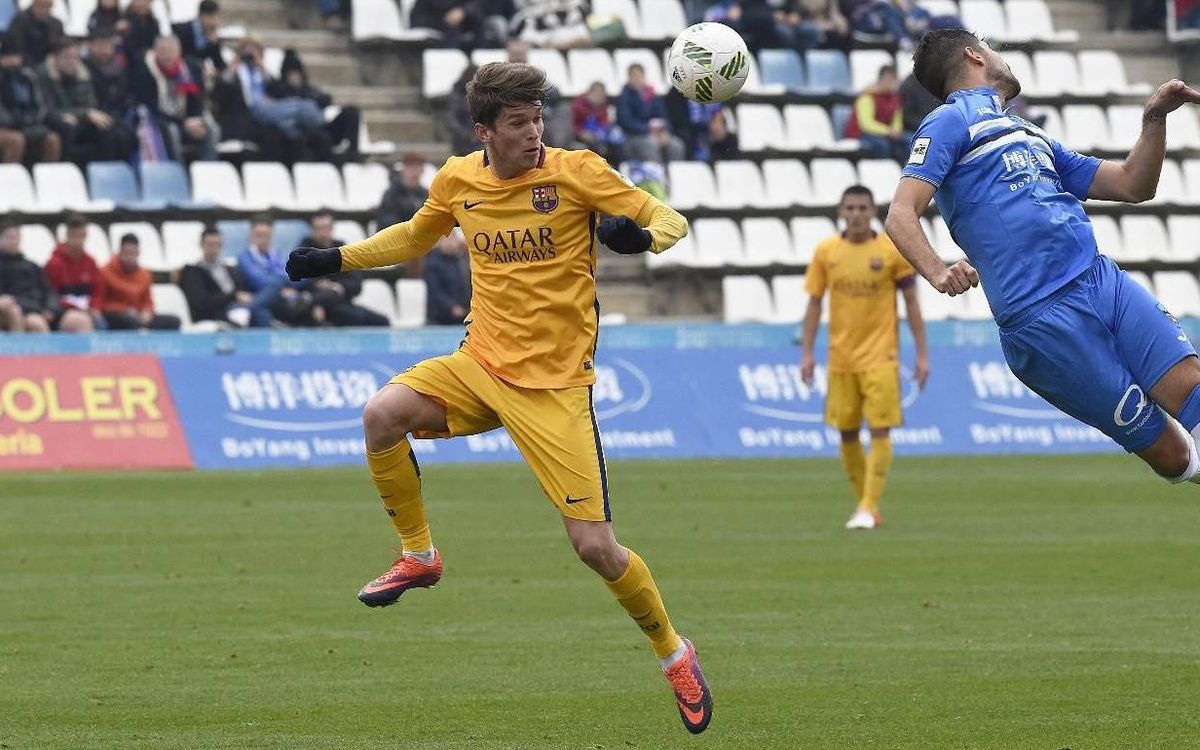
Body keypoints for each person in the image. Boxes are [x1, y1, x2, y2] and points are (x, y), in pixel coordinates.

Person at [284, 61, 712, 733]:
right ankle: (420, 556)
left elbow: (670, 217)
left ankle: (674, 653)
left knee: (596, 549)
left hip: (555, 390)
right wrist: (334, 260)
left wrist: (641, 236)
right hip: (479, 364)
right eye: (518, 123)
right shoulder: (459, 180)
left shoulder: (577, 172)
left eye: (538, 118)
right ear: (486, 131)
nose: (534, 133)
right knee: (380, 415)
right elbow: (413, 237)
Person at [888, 29, 1200, 489]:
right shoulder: (949, 122)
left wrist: (1153, 121)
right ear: (974, 54)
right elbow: (900, 213)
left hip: (1100, 281)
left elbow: (1134, 184)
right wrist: (937, 269)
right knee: (1172, 455)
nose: (1000, 55)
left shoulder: (1028, 133)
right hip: (1041, 322)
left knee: (1191, 386)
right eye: (991, 47)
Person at [800, 185, 928, 530]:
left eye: (862, 207)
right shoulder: (827, 252)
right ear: (841, 212)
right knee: (846, 434)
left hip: (882, 356)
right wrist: (808, 353)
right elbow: (814, 303)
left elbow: (912, 303)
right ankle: (864, 506)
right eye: (850, 208)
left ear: (872, 212)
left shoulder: (890, 251)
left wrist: (921, 354)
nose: (856, 213)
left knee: (881, 429)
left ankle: (869, 506)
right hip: (841, 357)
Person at [39, 39, 133, 164]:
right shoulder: (43, 76)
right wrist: (84, 114)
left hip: (80, 119)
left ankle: (107, 172)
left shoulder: (83, 74)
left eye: (75, 58)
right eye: (67, 57)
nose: (71, 62)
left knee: (107, 127)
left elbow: (91, 105)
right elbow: (48, 108)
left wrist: (84, 114)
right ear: (55, 58)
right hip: (53, 120)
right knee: (67, 126)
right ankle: (67, 171)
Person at [130, 35, 219, 161]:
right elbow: (151, 107)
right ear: (155, 52)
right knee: (172, 131)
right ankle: (178, 172)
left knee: (212, 129)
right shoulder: (144, 72)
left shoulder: (187, 69)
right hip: (159, 120)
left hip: (185, 120)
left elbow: (195, 98)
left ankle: (207, 169)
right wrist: (183, 123)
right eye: (163, 51)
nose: (167, 55)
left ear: (179, 52)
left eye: (171, 51)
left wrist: (195, 119)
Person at [297, 211, 390, 326]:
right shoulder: (303, 251)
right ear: (312, 230)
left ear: (331, 229)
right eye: (318, 228)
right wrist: (321, 292)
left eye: (325, 228)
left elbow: (356, 283)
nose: (322, 233)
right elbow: (300, 282)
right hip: (318, 305)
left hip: (343, 302)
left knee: (382, 321)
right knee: (356, 318)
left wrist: (339, 287)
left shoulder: (341, 249)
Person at [0, 221, 92, 332]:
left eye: (16, 237)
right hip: (25, 311)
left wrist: (51, 309)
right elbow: (10, 299)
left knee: (80, 320)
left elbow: (49, 291)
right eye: (9, 237)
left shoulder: (32, 266)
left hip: (43, 310)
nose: (13, 241)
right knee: (35, 322)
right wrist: (38, 310)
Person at [273, 50, 359, 160]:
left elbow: (324, 99)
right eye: (291, 73)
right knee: (320, 137)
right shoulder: (277, 90)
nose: (294, 77)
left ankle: (354, 155)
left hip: (322, 128)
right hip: (299, 135)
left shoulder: (308, 90)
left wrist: (321, 101)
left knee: (352, 113)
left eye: (297, 73)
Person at [178, 225, 266, 327]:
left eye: (217, 245)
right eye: (210, 245)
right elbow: (203, 303)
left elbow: (242, 289)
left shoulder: (230, 269)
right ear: (202, 245)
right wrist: (233, 296)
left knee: (263, 312)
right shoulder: (194, 273)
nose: (214, 249)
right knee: (256, 313)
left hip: (239, 305)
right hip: (217, 312)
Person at [238, 218, 319, 326]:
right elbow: (259, 280)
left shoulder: (279, 254)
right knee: (263, 310)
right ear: (251, 237)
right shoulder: (245, 257)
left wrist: (281, 283)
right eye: (259, 235)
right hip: (261, 296)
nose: (263, 239)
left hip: (283, 298)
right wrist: (282, 284)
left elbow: (300, 277)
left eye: (267, 236)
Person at [93, 233, 180, 330]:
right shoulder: (105, 272)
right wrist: (124, 310)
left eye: (133, 253)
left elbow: (147, 301)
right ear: (120, 252)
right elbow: (99, 301)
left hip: (137, 315)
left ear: (138, 253)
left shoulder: (144, 275)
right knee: (129, 320)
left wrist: (147, 312)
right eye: (126, 253)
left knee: (174, 321)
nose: (129, 257)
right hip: (114, 315)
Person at [0, 36, 62, 163]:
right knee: (15, 140)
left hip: (27, 124)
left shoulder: (28, 76)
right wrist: (12, 121)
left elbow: (40, 105)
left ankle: (46, 180)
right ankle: (9, 180)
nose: (12, 61)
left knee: (52, 139)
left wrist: (30, 120)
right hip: (5, 126)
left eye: (15, 56)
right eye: (8, 57)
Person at [616, 63, 685, 164]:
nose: (636, 79)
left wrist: (665, 132)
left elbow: (664, 117)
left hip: (656, 133)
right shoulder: (624, 97)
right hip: (634, 136)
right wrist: (647, 131)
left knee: (676, 145)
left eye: (639, 76)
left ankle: (674, 176)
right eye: (633, 76)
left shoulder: (653, 96)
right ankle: (656, 176)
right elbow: (626, 121)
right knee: (650, 145)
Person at [43, 214, 101, 325]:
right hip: (62, 312)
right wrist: (74, 307)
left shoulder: (91, 262)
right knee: (80, 321)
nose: (78, 241)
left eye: (81, 236)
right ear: (68, 235)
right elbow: (51, 294)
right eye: (75, 236)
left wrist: (94, 307)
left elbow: (97, 291)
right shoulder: (54, 264)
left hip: (88, 310)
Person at [847, 65, 905, 162]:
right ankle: (881, 172)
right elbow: (865, 124)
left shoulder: (895, 98)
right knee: (882, 145)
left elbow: (897, 119)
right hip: (862, 133)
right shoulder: (867, 97)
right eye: (887, 80)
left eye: (892, 80)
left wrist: (896, 129)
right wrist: (888, 131)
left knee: (908, 141)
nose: (890, 83)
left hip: (886, 133)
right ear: (880, 79)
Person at [84, 27, 134, 126]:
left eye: (107, 46)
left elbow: (125, 97)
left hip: (118, 116)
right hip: (94, 119)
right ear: (90, 46)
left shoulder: (119, 69)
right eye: (99, 46)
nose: (104, 51)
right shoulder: (83, 69)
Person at [422, 231, 470, 325]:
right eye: (446, 239)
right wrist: (452, 307)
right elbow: (435, 291)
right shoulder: (432, 262)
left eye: (453, 239)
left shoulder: (462, 259)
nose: (450, 242)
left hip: (463, 314)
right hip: (439, 318)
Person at [571, 81, 623, 163]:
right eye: (596, 94)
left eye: (601, 95)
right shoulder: (578, 106)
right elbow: (571, 125)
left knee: (616, 145)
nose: (598, 97)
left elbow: (605, 123)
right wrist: (580, 133)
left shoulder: (603, 107)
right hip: (581, 137)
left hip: (598, 135)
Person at [377, 153, 429, 230]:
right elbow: (387, 222)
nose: (414, 173)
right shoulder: (391, 195)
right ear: (403, 170)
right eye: (411, 168)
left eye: (418, 168)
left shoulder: (425, 195)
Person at [172, 0, 225, 74]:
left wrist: (214, 45)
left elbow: (220, 67)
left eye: (216, 19)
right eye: (212, 18)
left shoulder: (212, 39)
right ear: (201, 16)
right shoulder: (180, 30)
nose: (215, 23)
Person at [4, 0, 63, 66]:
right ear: (34, 4)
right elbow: (14, 49)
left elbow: (59, 47)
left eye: (48, 7)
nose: (44, 10)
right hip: (25, 63)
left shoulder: (56, 24)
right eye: (41, 6)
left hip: (49, 65)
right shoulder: (20, 21)